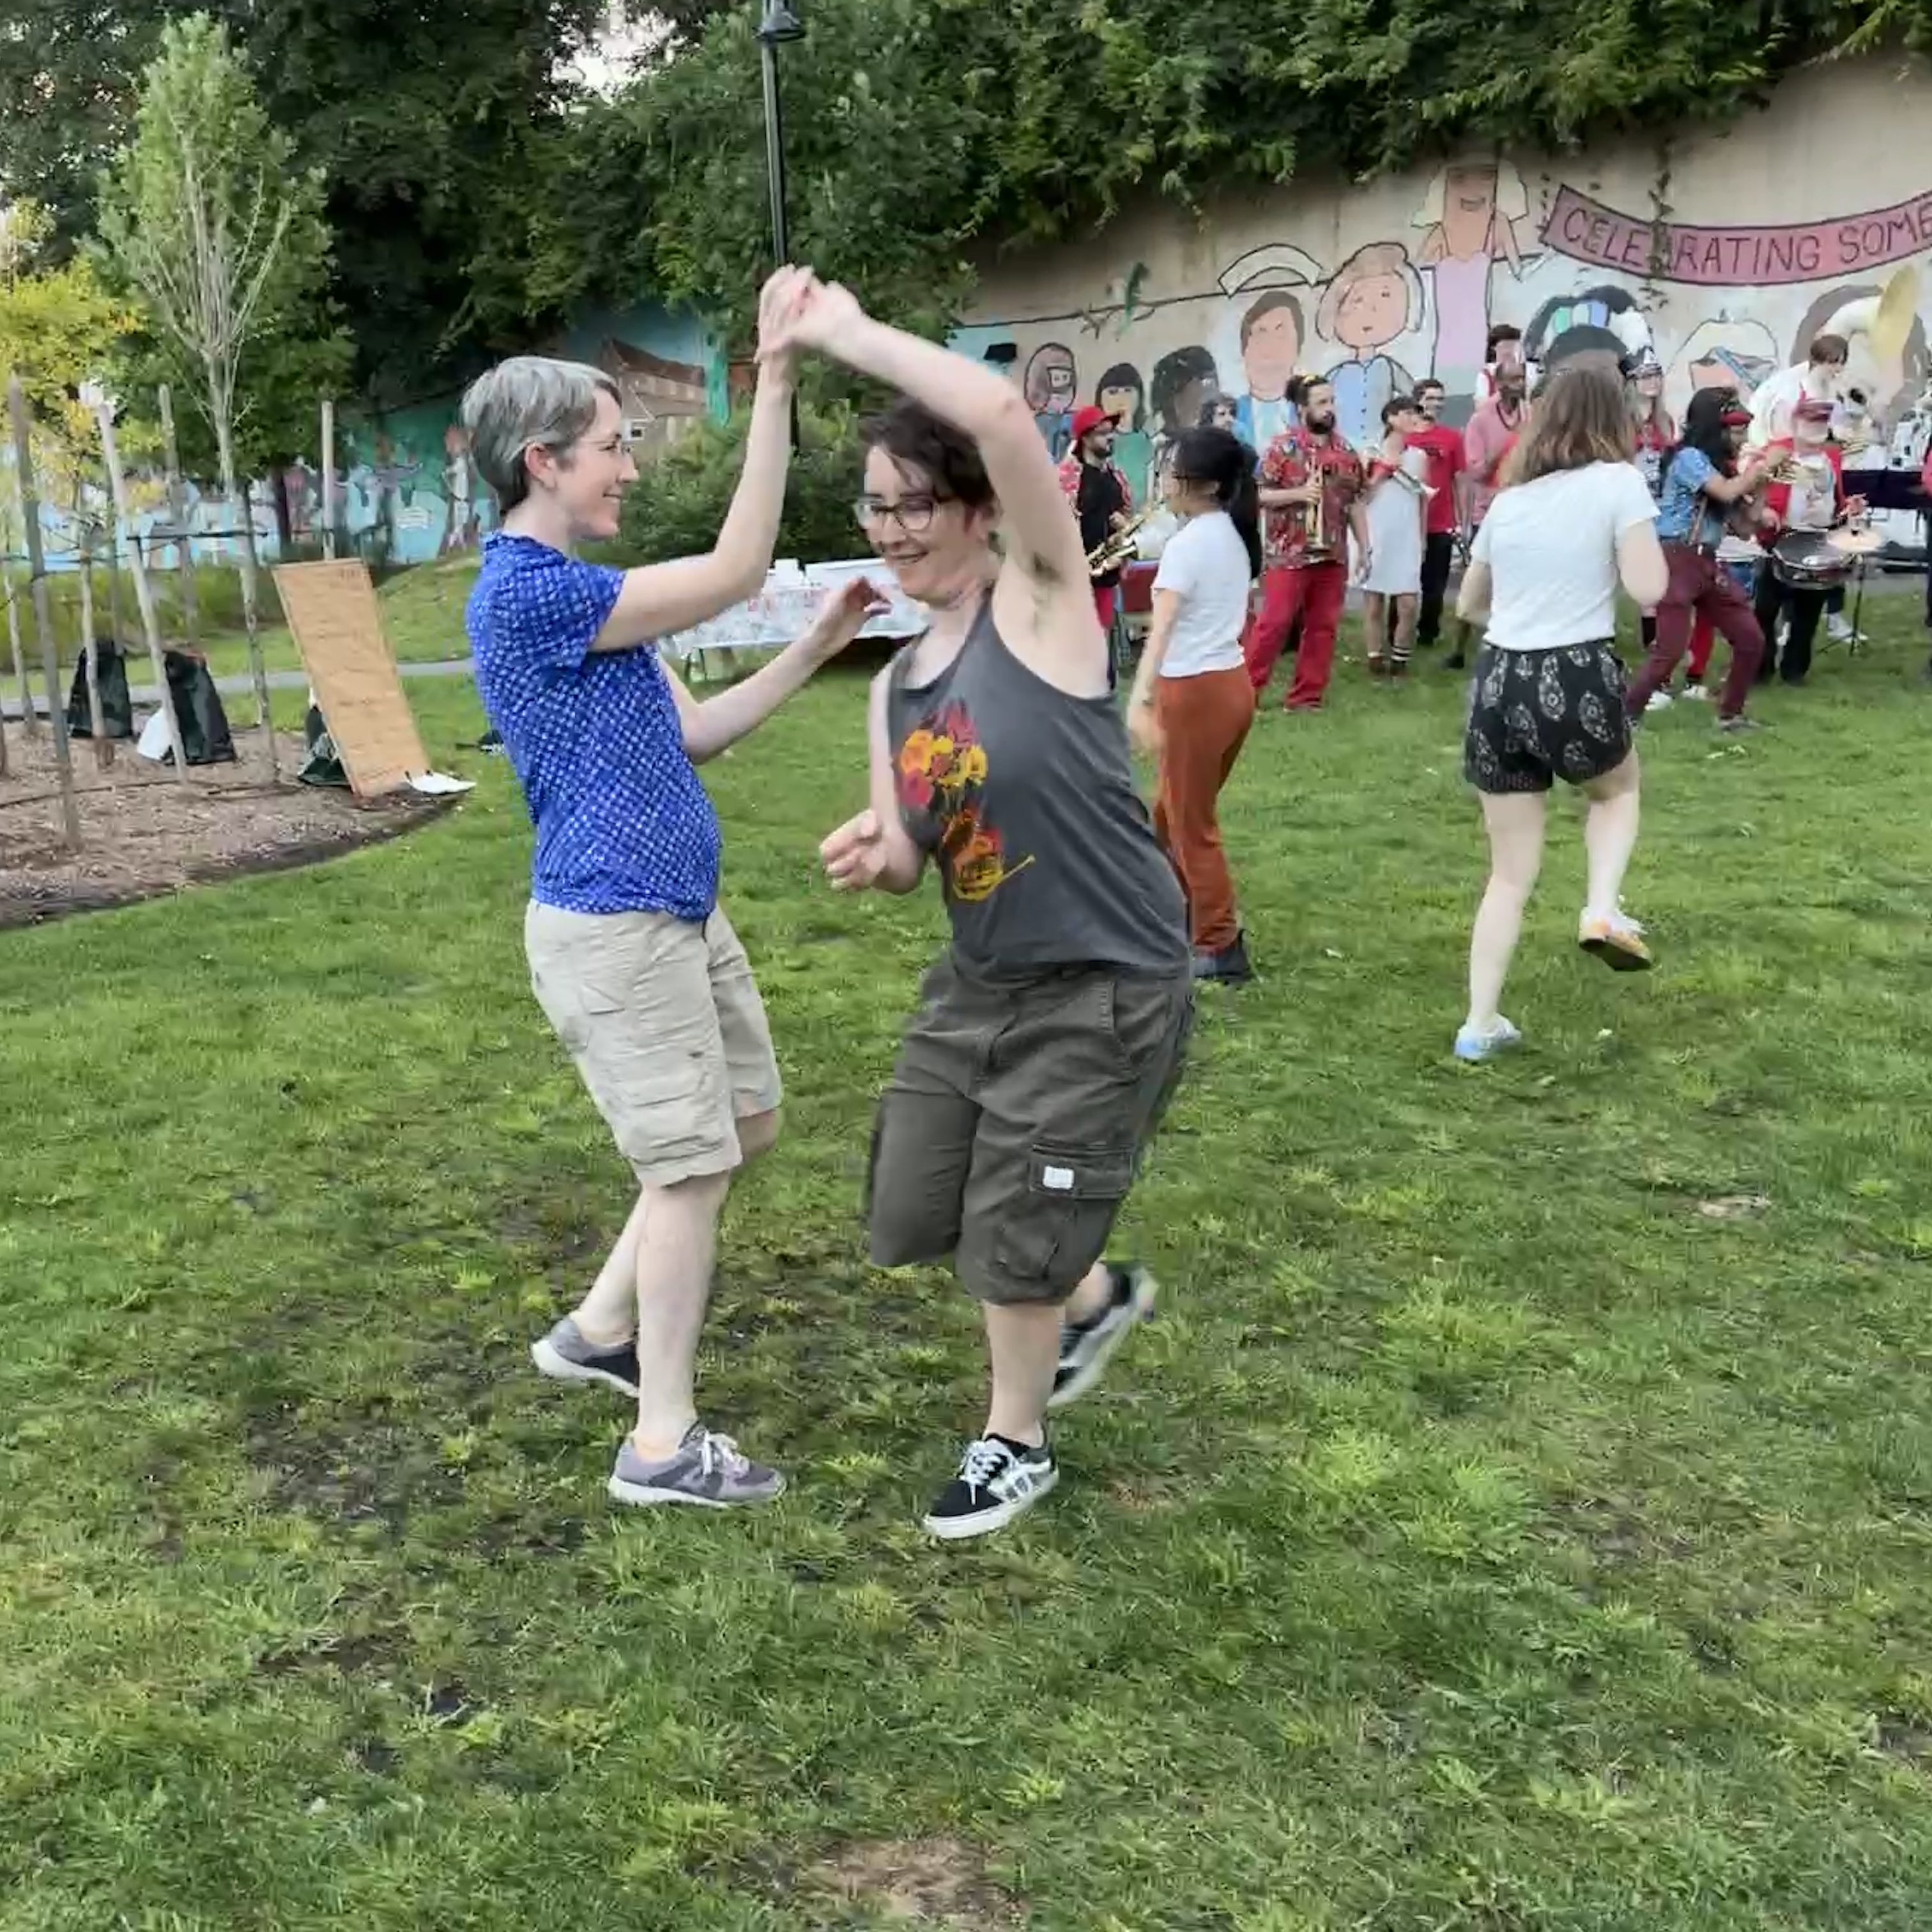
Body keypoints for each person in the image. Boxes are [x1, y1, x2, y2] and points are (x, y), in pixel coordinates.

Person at [463, 271, 875, 1512]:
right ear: (542, 462)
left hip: (673, 910)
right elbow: (742, 563)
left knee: (743, 1125)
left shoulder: (594, 607)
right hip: (615, 925)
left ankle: (598, 1328)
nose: (630, 467)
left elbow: (694, 735)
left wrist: (815, 648)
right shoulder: (530, 593)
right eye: (612, 446)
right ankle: (661, 1442)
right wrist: (777, 377)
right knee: (689, 1172)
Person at [797, 275, 1194, 1542]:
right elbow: (911, 856)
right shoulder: (897, 686)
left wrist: (847, 337)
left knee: (1016, 1221)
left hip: (1104, 974)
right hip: (981, 981)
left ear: (977, 510)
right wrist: (877, 851)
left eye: (914, 503)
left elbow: (1009, 420)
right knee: (913, 1207)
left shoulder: (1042, 600)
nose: (892, 529)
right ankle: (1086, 1301)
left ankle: (1013, 1439)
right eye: (876, 506)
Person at [1452, 364, 1669, 1062]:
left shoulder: (1510, 502)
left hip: (1498, 678)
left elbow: (1468, 605)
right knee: (1617, 790)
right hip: (1572, 669)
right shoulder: (1619, 483)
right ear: (1616, 419)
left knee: (1508, 874)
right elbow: (1650, 588)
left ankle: (1479, 1024)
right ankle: (1601, 909)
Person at [1127, 424, 1261, 985]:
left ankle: (1219, 942)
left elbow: (1160, 633)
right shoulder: (1231, 534)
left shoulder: (1189, 545)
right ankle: (1164, 913)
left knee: (1190, 824)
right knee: (1172, 812)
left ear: (1200, 484)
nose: (1163, 481)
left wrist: (1140, 698)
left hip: (1196, 692)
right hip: (1229, 686)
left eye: (1170, 471)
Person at [1623, 387, 1773, 731]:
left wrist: (1763, 486)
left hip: (1705, 561)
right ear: (1713, 428)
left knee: (1750, 638)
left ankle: (1731, 715)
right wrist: (1759, 468)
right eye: (1736, 431)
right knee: (1670, 650)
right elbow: (1726, 491)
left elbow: (1745, 528)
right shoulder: (1689, 457)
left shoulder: (1721, 469)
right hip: (1677, 558)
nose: (1742, 439)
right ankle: (1627, 716)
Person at [1246, 377, 1370, 710]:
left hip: (1333, 553)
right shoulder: (1281, 448)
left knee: (1323, 627)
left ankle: (1306, 697)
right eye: (1321, 403)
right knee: (1274, 624)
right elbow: (1257, 495)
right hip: (1289, 553)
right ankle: (1246, 693)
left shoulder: (1346, 451)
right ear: (1302, 409)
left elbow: (1356, 502)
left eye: (1331, 401)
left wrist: (1364, 547)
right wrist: (1298, 494)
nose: (1329, 409)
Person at [1752, 397, 1867, 687]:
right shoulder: (1776, 453)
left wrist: (1849, 509)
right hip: (1780, 539)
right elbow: (1750, 490)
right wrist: (1764, 511)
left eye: (1821, 423)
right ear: (1795, 423)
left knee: (1808, 613)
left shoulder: (1832, 458)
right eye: (1810, 422)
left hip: (1819, 541)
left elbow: (1834, 500)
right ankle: (1760, 668)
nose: (1816, 428)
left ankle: (1795, 672)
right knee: (1765, 610)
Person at [1444, 362, 1527, 668]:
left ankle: (1509, 645)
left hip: (1523, 508)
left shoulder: (1531, 414)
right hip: (1488, 511)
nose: (1520, 384)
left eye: (1522, 378)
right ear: (1499, 384)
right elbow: (1476, 471)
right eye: (1513, 379)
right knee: (1476, 582)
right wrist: (1511, 445)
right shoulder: (1481, 420)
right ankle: (1458, 650)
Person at [1360, 394, 1430, 678]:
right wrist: (1382, 472)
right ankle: (1375, 658)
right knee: (1374, 600)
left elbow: (1423, 499)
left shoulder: (1419, 457)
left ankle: (1400, 659)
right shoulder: (1370, 452)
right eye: (1408, 413)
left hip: (1406, 533)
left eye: (1416, 414)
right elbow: (1361, 496)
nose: (1414, 419)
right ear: (1391, 418)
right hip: (1376, 530)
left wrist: (1422, 537)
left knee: (1408, 603)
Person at [1057, 402, 1136, 648]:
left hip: (1106, 576)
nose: (1111, 437)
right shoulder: (1067, 479)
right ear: (1085, 438)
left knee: (1100, 643)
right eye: (1103, 433)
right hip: (1073, 579)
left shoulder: (1116, 477)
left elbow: (1129, 521)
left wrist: (1124, 526)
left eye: (1111, 431)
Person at [1407, 378, 1466, 648]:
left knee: (1435, 585)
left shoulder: (1452, 438)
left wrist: (1460, 520)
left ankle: (1428, 633)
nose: (1437, 404)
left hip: (1440, 522)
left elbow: (1459, 480)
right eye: (1431, 398)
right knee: (1404, 583)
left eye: (1441, 399)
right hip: (1408, 523)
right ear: (1417, 401)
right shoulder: (1404, 437)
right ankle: (1397, 631)